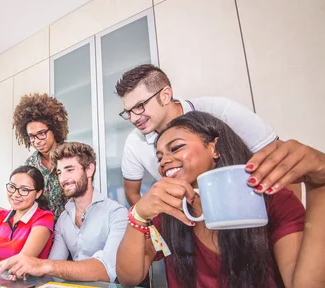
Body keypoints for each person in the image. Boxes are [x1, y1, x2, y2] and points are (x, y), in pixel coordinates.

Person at [116, 111, 325, 288]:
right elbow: (129, 276)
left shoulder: (272, 201)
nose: (164, 162)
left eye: (176, 148)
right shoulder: (170, 214)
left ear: (213, 147)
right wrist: (138, 215)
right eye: (159, 158)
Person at [116, 64, 279, 206]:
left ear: (165, 96)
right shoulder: (134, 142)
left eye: (140, 106)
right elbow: (132, 193)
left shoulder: (220, 110)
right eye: (128, 112)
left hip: (249, 208)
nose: (133, 118)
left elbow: (279, 159)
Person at [0, 142, 127, 283]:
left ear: (89, 170)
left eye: (70, 170)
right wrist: (28, 271)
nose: (63, 178)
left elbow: (107, 271)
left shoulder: (117, 214)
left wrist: (43, 265)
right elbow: (54, 269)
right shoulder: (63, 219)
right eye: (59, 172)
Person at [13, 93, 69, 220]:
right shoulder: (30, 165)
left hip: (74, 230)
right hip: (43, 231)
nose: (37, 141)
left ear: (54, 129)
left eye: (42, 133)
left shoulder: (72, 155)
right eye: (32, 136)